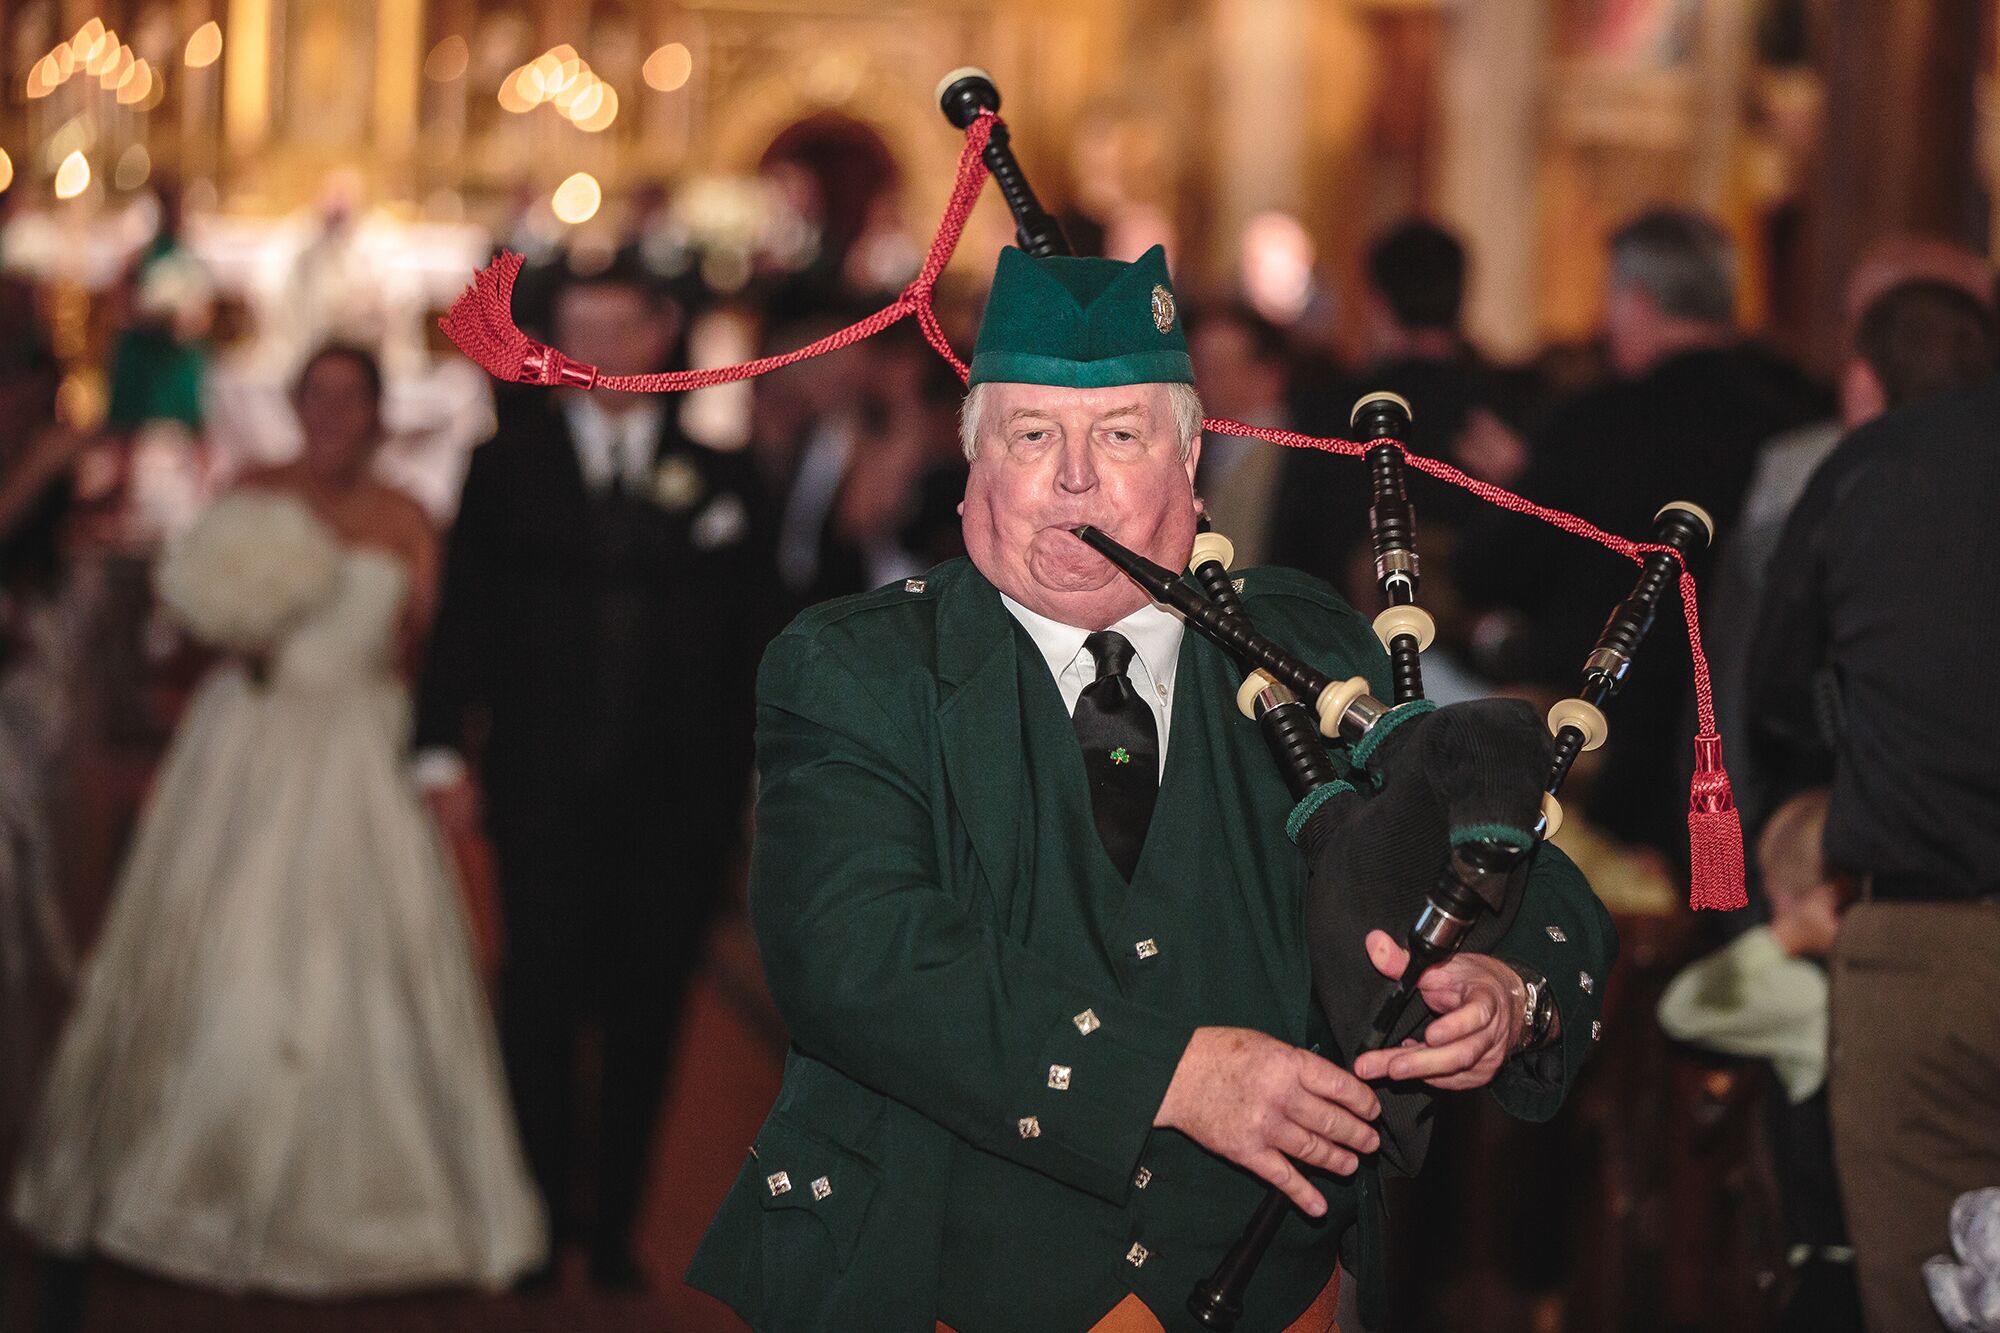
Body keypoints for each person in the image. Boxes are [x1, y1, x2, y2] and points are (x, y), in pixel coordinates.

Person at [688, 244, 1616, 1332]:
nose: (1074, 478)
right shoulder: (856, 668)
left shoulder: (1301, 643)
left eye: (1119, 434)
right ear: (973, 461)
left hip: (1277, 1291)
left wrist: (1513, 991)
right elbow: (851, 950)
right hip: (946, 1278)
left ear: (1188, 462)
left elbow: (1507, 855)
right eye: (1032, 434)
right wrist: (1167, 1077)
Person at [9, 344, 545, 1297]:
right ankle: (186, 1175)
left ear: (379, 412)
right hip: (244, 741)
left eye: (351, 397)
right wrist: (229, 625)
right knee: (227, 942)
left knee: (363, 955)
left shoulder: (409, 518)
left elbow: (433, 650)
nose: (333, 412)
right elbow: (176, 636)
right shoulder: (249, 488)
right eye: (317, 394)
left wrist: (443, 756)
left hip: (358, 745)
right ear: (296, 405)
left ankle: (377, 1200)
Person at [413, 258, 779, 1290]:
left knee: (648, 1011)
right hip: (542, 791)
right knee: (536, 998)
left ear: (661, 334)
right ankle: (533, 1215)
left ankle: (614, 1222)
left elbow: (758, 643)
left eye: (618, 328)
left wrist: (762, 781)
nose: (598, 352)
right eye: (578, 331)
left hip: (675, 806)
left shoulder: (722, 477)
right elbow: (464, 621)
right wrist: (442, 742)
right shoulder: (506, 466)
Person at [1745, 283, 2000, 1333]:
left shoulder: (1869, 468)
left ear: (1863, 381)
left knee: (1923, 1294)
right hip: (1917, 922)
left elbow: (1771, 691)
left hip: (1920, 941)